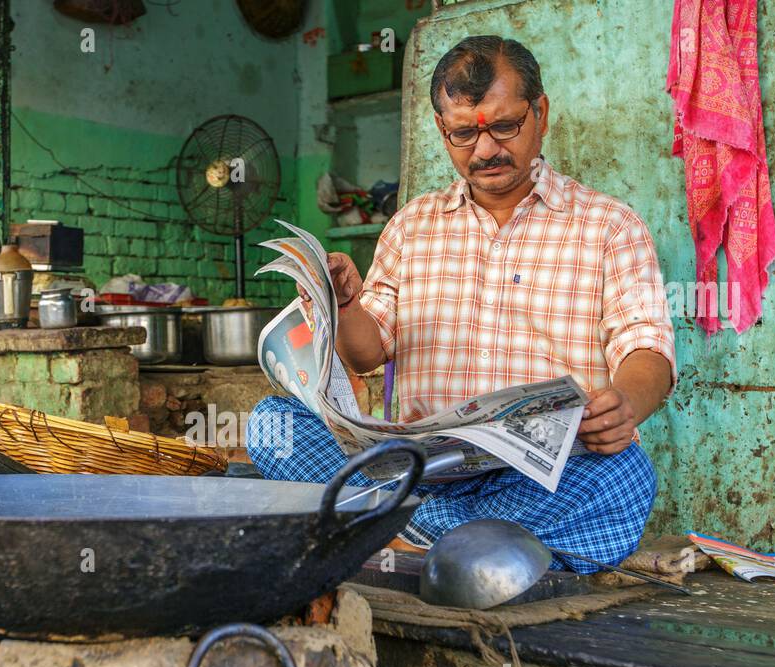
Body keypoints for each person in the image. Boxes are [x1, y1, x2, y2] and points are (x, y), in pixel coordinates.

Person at [246, 35, 676, 571]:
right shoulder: (410, 227)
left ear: (540, 113)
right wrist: (345, 305)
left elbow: (648, 349)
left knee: (625, 476)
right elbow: (365, 353)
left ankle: (396, 528)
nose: (486, 149)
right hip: (420, 471)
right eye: (464, 133)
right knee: (272, 423)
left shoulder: (609, 226)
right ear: (440, 129)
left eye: (504, 126)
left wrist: (625, 404)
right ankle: (463, 546)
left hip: (542, 480)